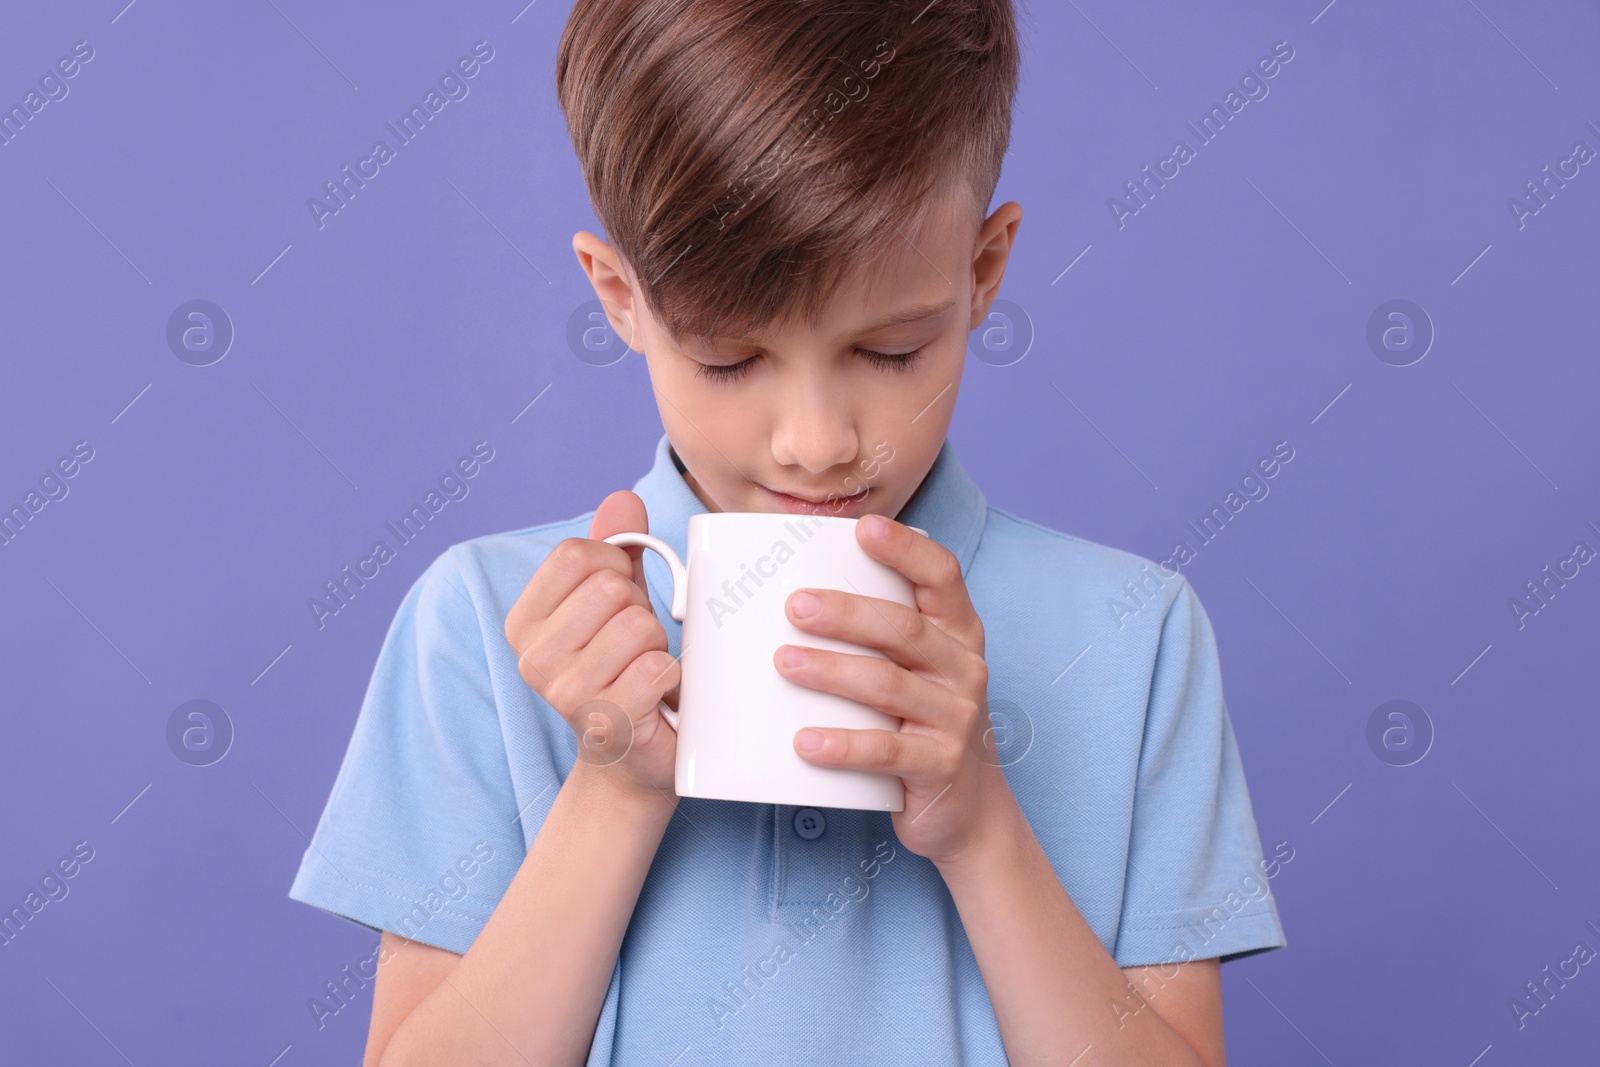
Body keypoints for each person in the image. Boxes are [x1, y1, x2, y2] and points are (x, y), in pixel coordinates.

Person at [288, 1, 1287, 1063]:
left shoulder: (1136, 638)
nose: (816, 444)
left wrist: (983, 829)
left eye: (891, 351)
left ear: (982, 273)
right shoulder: (490, 627)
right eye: (730, 359)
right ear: (620, 297)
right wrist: (613, 788)